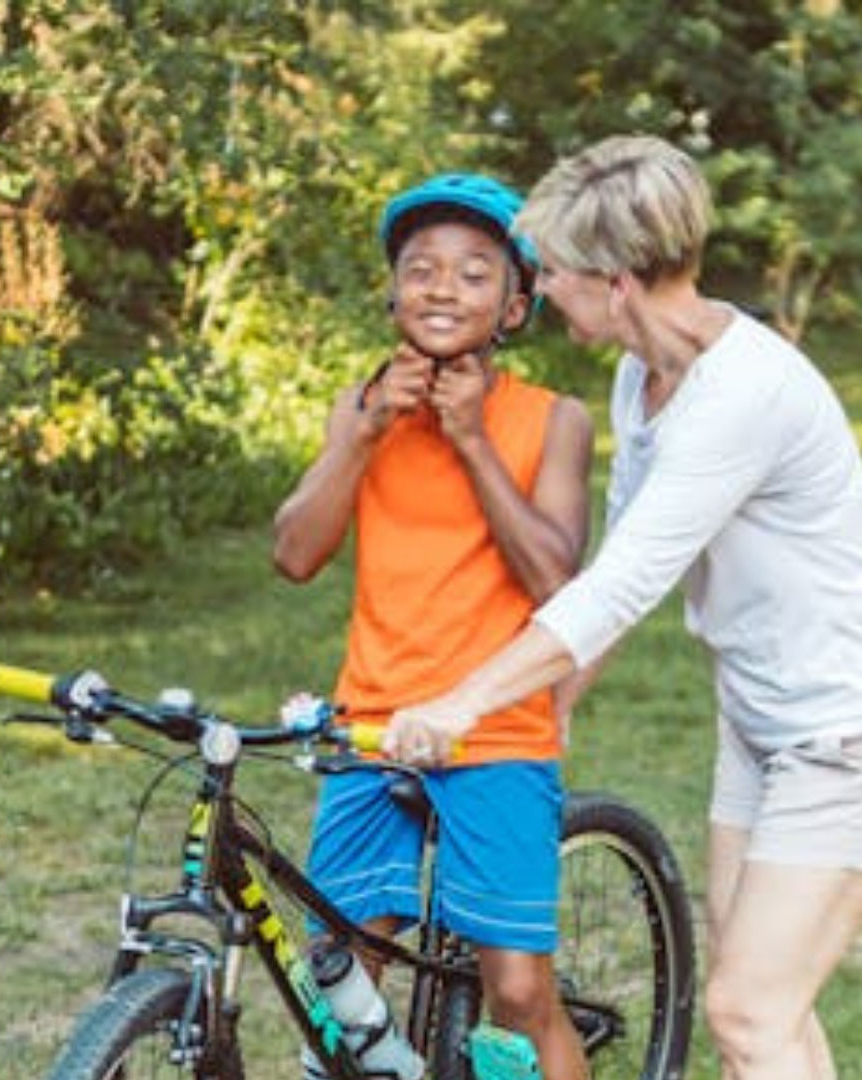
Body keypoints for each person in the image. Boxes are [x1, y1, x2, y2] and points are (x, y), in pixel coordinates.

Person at [383, 135, 862, 1080]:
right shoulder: (641, 377)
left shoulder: (741, 395)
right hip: (763, 717)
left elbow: (622, 584)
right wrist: (555, 702)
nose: (545, 287)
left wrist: (461, 703)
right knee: (763, 1005)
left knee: (747, 1010)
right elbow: (620, 565)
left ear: (620, 284)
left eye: (556, 272)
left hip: (854, 727)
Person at [272, 173, 595, 1080]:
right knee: (340, 980)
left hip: (496, 730)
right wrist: (365, 433)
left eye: (474, 273)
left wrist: (473, 442)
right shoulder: (360, 407)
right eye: (421, 270)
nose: (443, 288)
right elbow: (295, 554)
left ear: (517, 305)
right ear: (392, 294)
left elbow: (554, 580)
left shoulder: (552, 420)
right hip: (371, 723)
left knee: (520, 994)